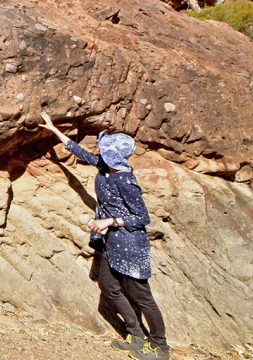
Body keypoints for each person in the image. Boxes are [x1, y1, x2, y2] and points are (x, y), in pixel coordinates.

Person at [39, 112, 171, 360]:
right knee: (108, 287)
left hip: (131, 246)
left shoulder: (125, 180)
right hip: (111, 244)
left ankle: (160, 347)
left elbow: (142, 218)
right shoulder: (106, 167)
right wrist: (54, 130)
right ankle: (136, 335)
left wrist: (109, 221)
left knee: (142, 297)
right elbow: (83, 154)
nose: (101, 151)